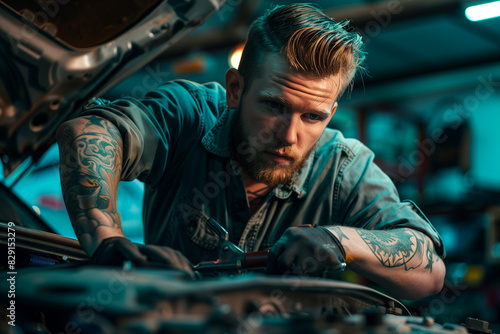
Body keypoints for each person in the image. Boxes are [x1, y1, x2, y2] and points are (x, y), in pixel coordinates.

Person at [56, 3, 445, 300]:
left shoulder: (344, 168)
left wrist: (341, 241)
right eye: (274, 106)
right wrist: (105, 240)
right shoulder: (187, 116)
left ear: (331, 114)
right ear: (236, 89)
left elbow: (430, 271)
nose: (289, 135)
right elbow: (88, 131)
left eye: (312, 116)